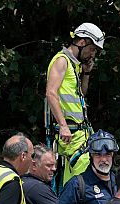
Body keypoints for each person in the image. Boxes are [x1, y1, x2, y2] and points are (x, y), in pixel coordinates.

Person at [45, 23, 105, 190]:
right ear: (82, 42)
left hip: (81, 133)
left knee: (80, 180)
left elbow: (81, 95)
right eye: (92, 49)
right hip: (70, 133)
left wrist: (86, 73)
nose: (93, 54)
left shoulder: (75, 65)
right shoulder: (61, 61)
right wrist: (63, 126)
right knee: (85, 181)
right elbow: (51, 93)